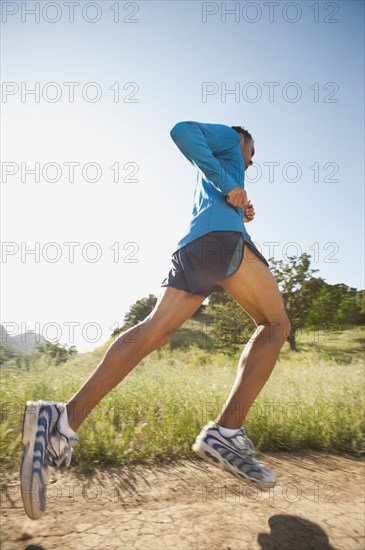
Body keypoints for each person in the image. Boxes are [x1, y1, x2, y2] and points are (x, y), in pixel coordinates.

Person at [20, 121, 291, 520]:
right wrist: (229, 184)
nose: (253, 159)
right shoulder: (230, 139)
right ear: (243, 139)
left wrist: (236, 199)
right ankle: (226, 433)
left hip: (199, 243)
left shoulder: (226, 168)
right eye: (253, 150)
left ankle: (61, 420)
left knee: (156, 332)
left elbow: (217, 192)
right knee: (276, 325)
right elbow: (182, 130)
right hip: (220, 242)